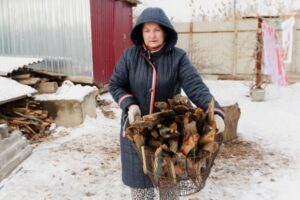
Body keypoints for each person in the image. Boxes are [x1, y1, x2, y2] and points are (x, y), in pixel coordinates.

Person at [109, 7, 225, 200]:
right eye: (147, 30)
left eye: (156, 30)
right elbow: (115, 84)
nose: (152, 35)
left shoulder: (178, 58)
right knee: (141, 191)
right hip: (135, 133)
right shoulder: (130, 56)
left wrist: (216, 111)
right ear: (141, 33)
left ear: (165, 31)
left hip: (167, 135)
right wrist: (129, 104)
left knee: (168, 189)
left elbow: (196, 87)